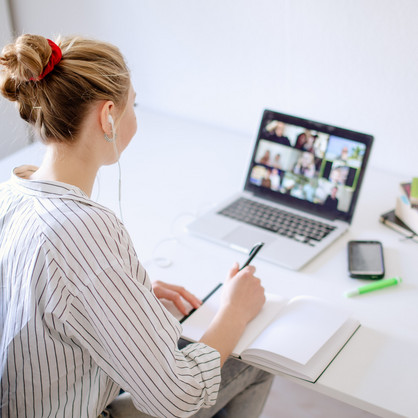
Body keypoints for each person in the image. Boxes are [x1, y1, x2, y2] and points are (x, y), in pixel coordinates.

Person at [0, 34, 273, 418]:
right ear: (107, 115)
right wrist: (234, 311)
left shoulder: (9, 194)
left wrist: (125, 297)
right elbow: (177, 395)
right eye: (134, 106)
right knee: (251, 360)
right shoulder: (83, 232)